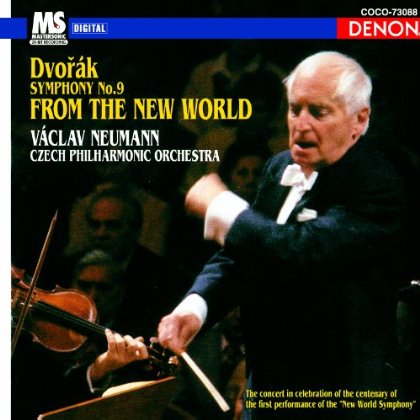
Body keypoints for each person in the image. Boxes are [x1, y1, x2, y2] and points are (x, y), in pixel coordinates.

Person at [158, 51, 408, 419]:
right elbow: (244, 253)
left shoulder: (377, 183)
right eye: (294, 109)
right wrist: (195, 308)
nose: (301, 125)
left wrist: (222, 206)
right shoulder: (278, 168)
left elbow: (304, 251)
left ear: (360, 119)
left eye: (318, 112)